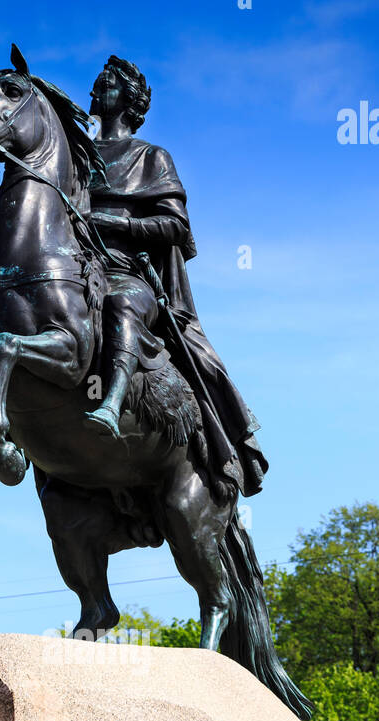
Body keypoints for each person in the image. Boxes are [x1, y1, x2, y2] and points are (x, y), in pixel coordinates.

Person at [85, 55, 268, 497]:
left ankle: (114, 403)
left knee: (125, 305)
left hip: (128, 276)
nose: (95, 87)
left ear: (129, 101)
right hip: (77, 270)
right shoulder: (75, 153)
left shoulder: (150, 157)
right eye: (96, 80)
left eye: (106, 82)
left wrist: (117, 225)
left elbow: (177, 228)